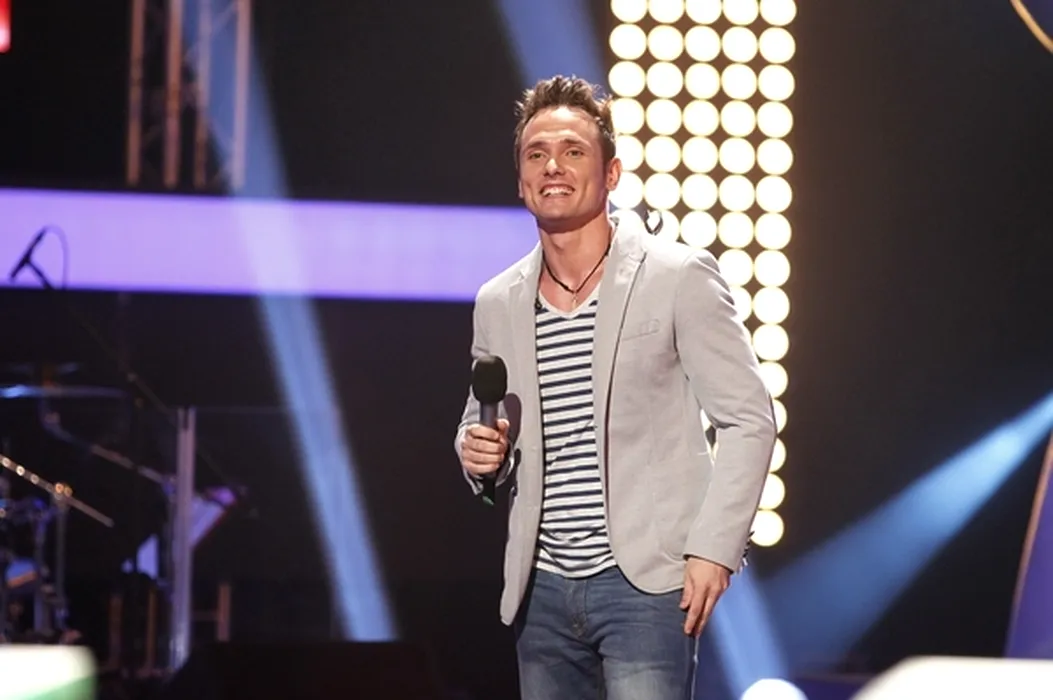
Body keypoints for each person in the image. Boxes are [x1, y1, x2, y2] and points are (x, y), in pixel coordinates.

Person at [454, 75, 777, 699]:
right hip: (540, 589)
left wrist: (714, 549)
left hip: (646, 586)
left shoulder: (677, 275)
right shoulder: (498, 301)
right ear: (521, 180)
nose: (553, 166)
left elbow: (749, 419)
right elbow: (480, 418)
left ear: (611, 174)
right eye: (537, 154)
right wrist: (476, 451)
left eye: (573, 151)